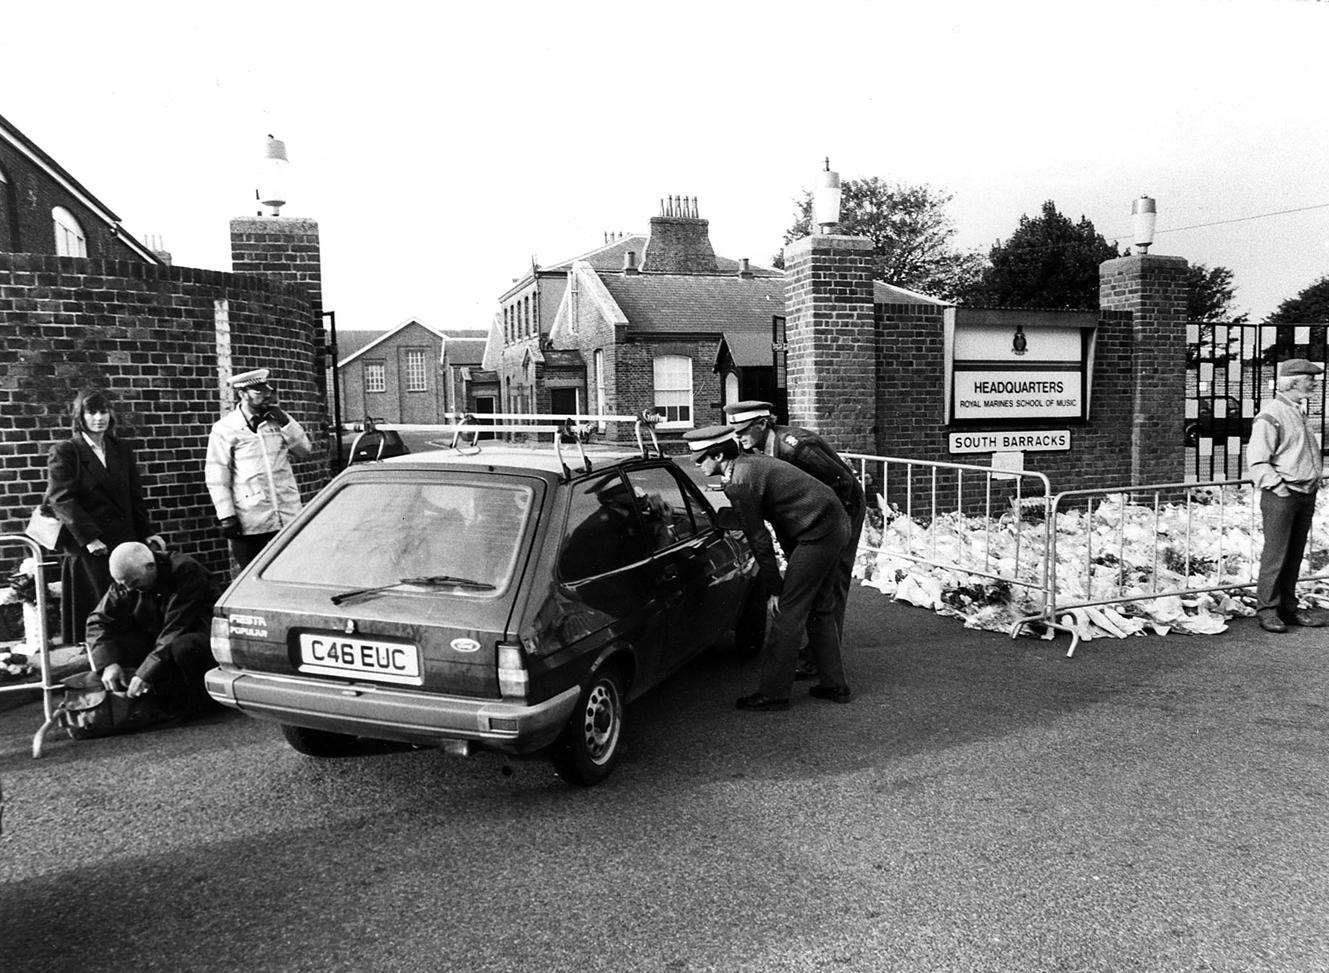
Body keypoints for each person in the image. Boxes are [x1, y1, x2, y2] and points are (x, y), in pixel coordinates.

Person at [683, 425, 853, 711]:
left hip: (818, 534)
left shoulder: (739, 480)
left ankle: (774, 694)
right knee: (821, 607)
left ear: (719, 454)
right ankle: (835, 686)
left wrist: (774, 589)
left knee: (788, 612)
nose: (698, 466)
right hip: (833, 525)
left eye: (701, 459)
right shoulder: (747, 464)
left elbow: (758, 539)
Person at [724, 400, 866, 679]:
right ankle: (817, 652)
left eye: (742, 431)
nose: (738, 438)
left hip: (839, 513)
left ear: (763, 424)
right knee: (809, 579)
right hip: (805, 518)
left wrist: (828, 536)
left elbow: (842, 486)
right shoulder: (756, 446)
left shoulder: (798, 447)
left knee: (831, 581)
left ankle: (820, 658)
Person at [44, 389, 165, 644]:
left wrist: (147, 532)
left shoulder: (120, 448)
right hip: (91, 546)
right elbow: (61, 498)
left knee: (128, 602)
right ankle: (100, 662)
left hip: (124, 540)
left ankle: (128, 657)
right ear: (81, 416)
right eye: (91, 412)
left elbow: (134, 495)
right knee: (98, 608)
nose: (99, 418)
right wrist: (90, 538)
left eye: (103, 411)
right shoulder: (67, 451)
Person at [86, 542, 219, 715]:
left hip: (197, 631)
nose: (128, 589)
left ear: (151, 566)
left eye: (134, 583)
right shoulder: (129, 577)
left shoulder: (186, 570)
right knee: (116, 642)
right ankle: (159, 700)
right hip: (159, 632)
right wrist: (109, 662)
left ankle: (202, 704)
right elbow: (98, 620)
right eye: (122, 585)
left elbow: (176, 627)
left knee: (183, 647)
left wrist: (145, 673)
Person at [1247, 358, 1327, 633]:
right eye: (1310, 379)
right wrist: (1279, 487)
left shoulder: (1296, 410)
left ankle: (1288, 609)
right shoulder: (1271, 414)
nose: (1315, 383)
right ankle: (1267, 611)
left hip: (1304, 493)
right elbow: (1258, 460)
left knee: (1294, 555)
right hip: (1283, 494)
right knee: (1276, 554)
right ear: (1293, 382)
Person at [205, 368, 314, 568]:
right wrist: (227, 516)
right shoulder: (225, 429)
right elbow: (217, 476)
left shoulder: (278, 421)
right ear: (242, 394)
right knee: (254, 576)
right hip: (251, 522)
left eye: (267, 390)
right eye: (258, 391)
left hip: (287, 515)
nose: (266, 395)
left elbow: (305, 451)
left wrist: (285, 423)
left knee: (292, 571)